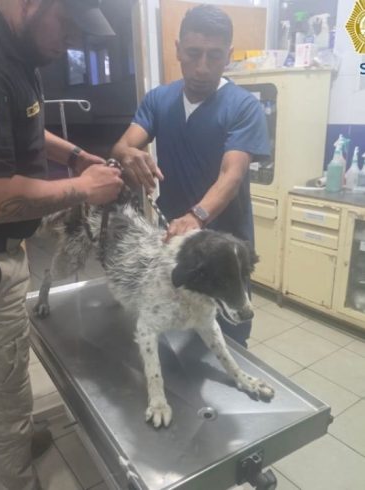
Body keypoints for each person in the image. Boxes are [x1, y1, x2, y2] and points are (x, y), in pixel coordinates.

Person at [0, 1, 124, 488]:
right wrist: (83, 189)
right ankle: (16, 474)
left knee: (10, 367)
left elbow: (25, 123)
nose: (70, 39)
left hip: (2, 249)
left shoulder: (18, 47)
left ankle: (18, 435)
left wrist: (74, 155)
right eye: (66, 23)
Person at [112, 4, 270, 347]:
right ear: (177, 48)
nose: (202, 67)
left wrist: (196, 216)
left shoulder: (243, 107)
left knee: (229, 334)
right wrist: (128, 155)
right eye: (193, 53)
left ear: (228, 55)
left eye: (214, 56)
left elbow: (233, 172)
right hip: (173, 242)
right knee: (174, 328)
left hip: (227, 249)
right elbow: (124, 145)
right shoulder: (159, 100)